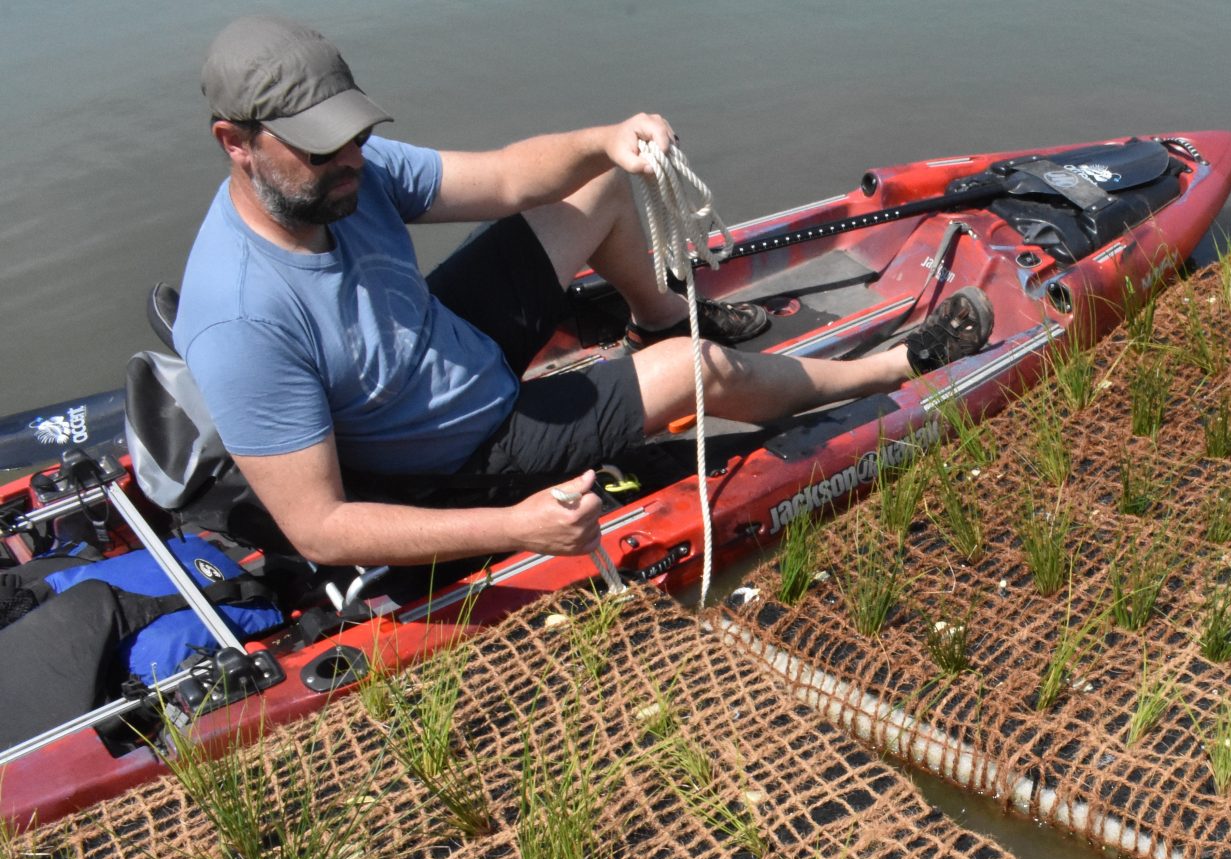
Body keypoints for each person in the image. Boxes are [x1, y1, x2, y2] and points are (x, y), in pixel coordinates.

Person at [172, 16, 993, 569]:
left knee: (597, 188)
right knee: (699, 370)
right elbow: (318, 527)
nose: (351, 158)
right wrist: (518, 526)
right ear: (236, 144)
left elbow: (499, 177)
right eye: (322, 150)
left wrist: (608, 140)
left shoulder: (351, 171)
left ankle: (658, 314)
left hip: (438, 340)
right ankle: (889, 369)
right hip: (463, 444)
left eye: (354, 135)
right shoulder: (241, 318)